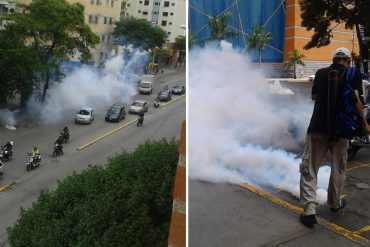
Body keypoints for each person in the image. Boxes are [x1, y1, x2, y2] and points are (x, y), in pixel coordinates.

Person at [299, 47, 370, 228]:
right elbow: (357, 99)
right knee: (338, 168)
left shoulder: (321, 73)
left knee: (310, 168)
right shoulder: (353, 74)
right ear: (347, 60)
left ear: (333, 59)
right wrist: (364, 123)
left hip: (318, 128)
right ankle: (335, 204)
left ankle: (309, 211)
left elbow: (314, 96)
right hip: (342, 131)